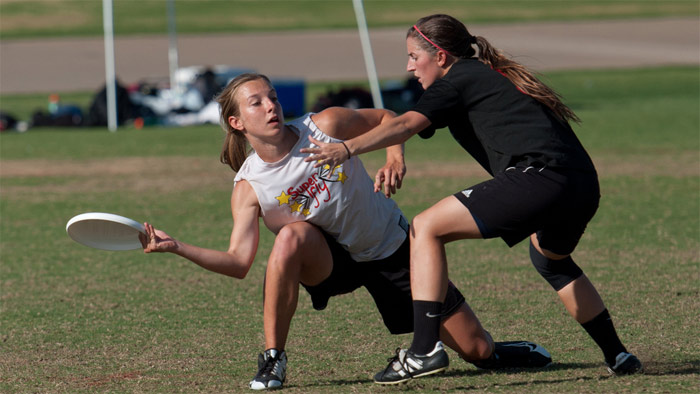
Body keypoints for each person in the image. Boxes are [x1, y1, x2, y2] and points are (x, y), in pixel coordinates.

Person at [139, 73, 552, 391]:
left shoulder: (325, 125)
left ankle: (499, 351)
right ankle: (272, 358)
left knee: (477, 349)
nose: (271, 106)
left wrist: (393, 157)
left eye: (273, 97)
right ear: (236, 121)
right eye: (256, 102)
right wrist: (177, 247)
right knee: (290, 237)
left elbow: (390, 119)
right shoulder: (249, 187)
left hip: (388, 247)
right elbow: (238, 263)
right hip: (331, 259)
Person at [302, 14, 643, 384]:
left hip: (541, 176)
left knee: (425, 227)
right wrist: (396, 156)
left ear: (441, 57)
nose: (409, 66)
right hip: (581, 184)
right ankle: (618, 354)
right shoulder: (481, 76)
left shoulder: (458, 79)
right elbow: (403, 126)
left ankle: (422, 351)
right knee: (551, 260)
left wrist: (346, 149)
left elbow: (403, 125)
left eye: (415, 57)